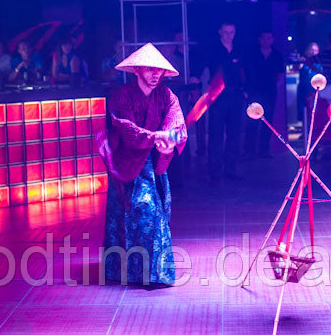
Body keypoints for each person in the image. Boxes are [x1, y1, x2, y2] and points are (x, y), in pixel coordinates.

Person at [96, 43, 187, 285]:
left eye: (159, 70)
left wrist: (170, 141)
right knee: (127, 215)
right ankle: (123, 271)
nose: (155, 74)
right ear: (137, 70)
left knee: (153, 213)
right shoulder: (120, 96)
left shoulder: (167, 96)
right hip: (126, 162)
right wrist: (158, 137)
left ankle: (154, 273)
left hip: (152, 164)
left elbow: (178, 125)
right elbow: (128, 131)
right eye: (149, 69)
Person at [205, 21, 246, 184]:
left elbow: (246, 70)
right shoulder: (213, 50)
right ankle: (215, 173)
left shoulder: (239, 50)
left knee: (234, 134)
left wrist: (246, 90)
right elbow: (202, 66)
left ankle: (231, 169)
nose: (229, 35)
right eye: (226, 32)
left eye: (232, 32)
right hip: (217, 96)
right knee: (215, 135)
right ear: (220, 32)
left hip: (236, 96)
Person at [244, 30, 285, 158]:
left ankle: (264, 150)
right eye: (264, 38)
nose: (266, 41)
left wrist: (273, 85)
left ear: (272, 39)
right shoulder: (252, 54)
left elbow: (280, 74)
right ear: (259, 39)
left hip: (270, 92)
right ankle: (249, 151)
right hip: (254, 91)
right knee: (252, 122)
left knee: (268, 121)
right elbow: (244, 70)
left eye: (269, 38)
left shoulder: (277, 55)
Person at [297, 42, 323, 120]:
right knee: (303, 110)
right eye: (311, 50)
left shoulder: (320, 63)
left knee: (315, 110)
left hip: (315, 89)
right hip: (304, 89)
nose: (313, 52)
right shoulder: (302, 62)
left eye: (315, 50)